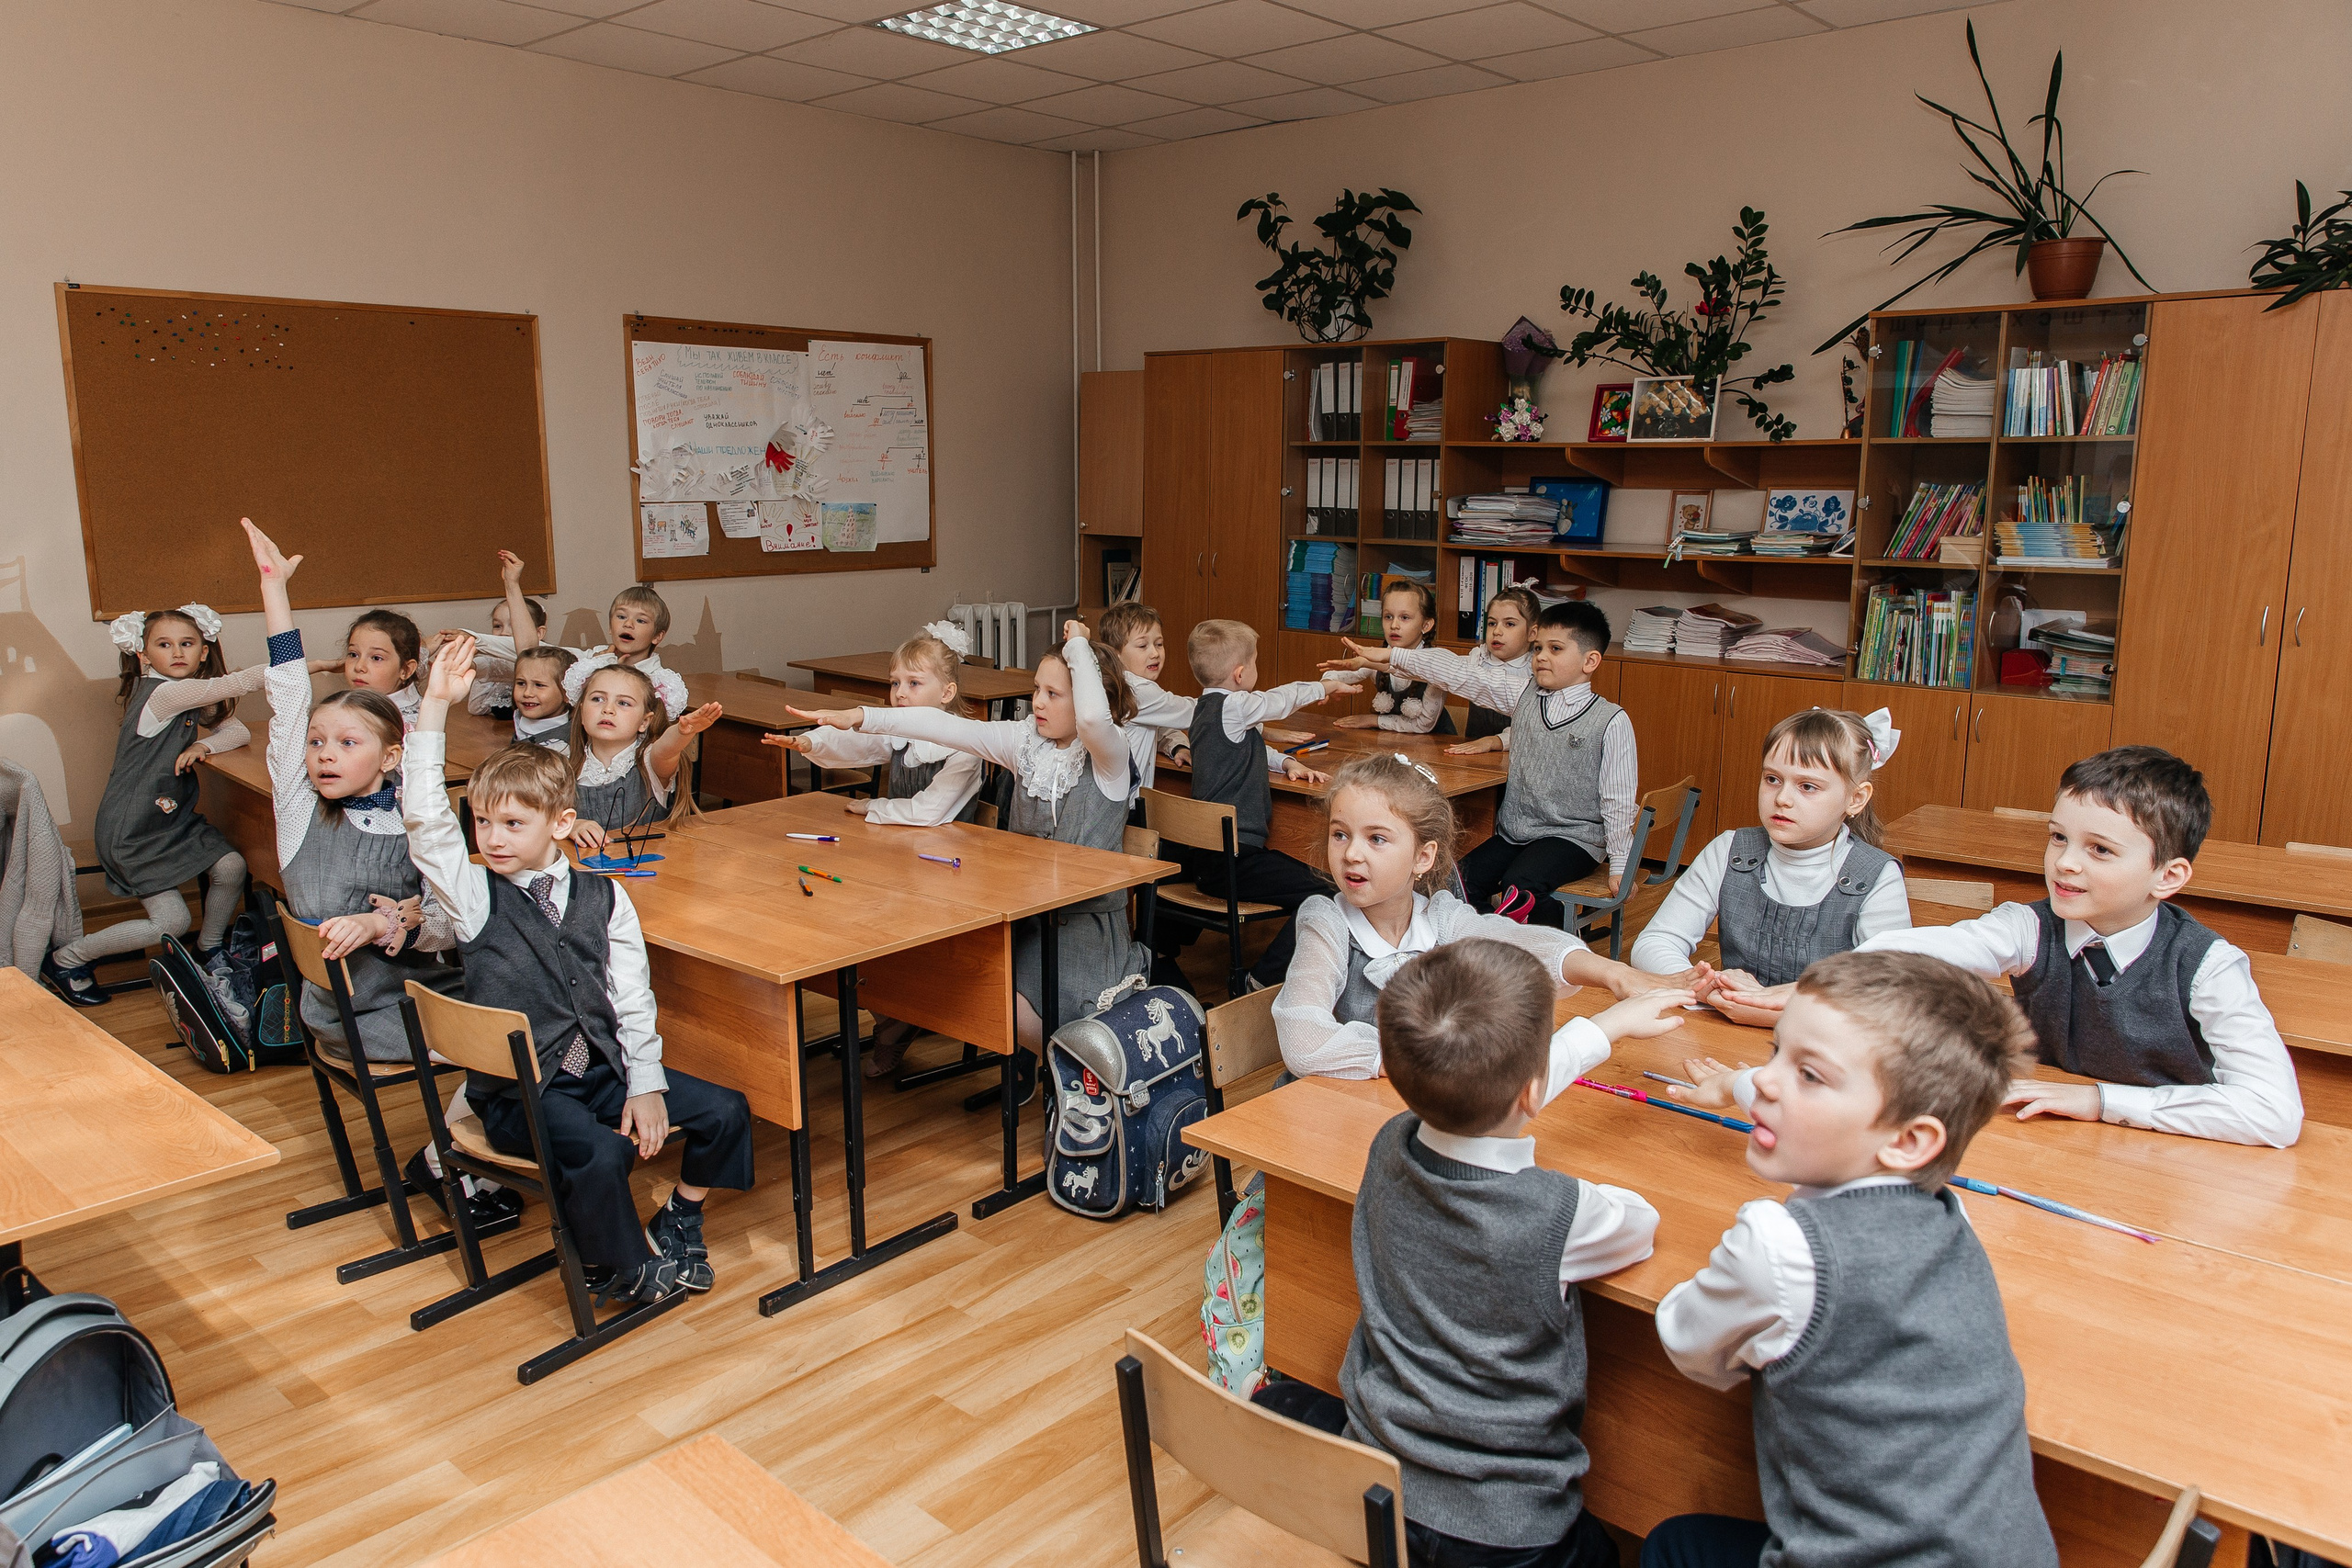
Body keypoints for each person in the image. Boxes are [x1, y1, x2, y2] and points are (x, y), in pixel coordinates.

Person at [1266, 940, 1688, 1568]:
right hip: (1510, 1533)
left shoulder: (1389, 1144)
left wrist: (1603, 1028)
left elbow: (1503, 1086)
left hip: (1381, 1487)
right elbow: (1640, 1222)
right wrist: (1570, 1188)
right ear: (1531, 1093)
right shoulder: (1560, 1214)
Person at [1644, 950, 2059, 1568]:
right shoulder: (1948, 1211)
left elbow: (1692, 1347)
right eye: (1775, 1052)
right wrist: (1735, 1085)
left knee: (1671, 1544)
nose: (1765, 1079)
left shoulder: (1779, 1246)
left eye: (1809, 1074)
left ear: (1909, 1139)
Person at [1719, 746, 2303, 1148]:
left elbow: (2274, 1113)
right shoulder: (2030, 927)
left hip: (2172, 1155)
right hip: (2050, 1138)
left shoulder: (2210, 967)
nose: (2064, 863)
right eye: (2058, 838)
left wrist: (2103, 1102)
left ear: (2168, 876)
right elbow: (1936, 946)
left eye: (2100, 850)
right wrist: (1815, 983)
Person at [405, 636, 753, 1304]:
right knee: (603, 1153)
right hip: (522, 1094)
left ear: (562, 822)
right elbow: (425, 821)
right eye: (482, 823)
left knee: (726, 1110)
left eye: (511, 823)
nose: (492, 838)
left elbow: (631, 996)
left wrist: (645, 1082)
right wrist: (432, 710)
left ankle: (680, 1215)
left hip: (599, 1070)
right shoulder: (475, 897)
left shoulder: (604, 893)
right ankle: (625, 1267)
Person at [789, 626, 1149, 1102]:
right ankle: (1069, 1076)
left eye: (1052, 694)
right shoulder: (1027, 744)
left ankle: (1088, 1078)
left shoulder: (1109, 756)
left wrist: (1078, 644)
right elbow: (942, 726)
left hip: (1081, 929)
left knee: (1006, 1006)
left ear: (1087, 698)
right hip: (1022, 915)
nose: (1037, 703)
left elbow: (1094, 721)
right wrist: (859, 716)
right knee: (960, 981)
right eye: (1036, 691)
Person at [1273, 752, 1661, 1080]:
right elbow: (1303, 1040)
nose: (1352, 854)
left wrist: (1615, 974)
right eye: (1340, 834)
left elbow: (1524, 945)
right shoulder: (1325, 921)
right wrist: (1427, 1060)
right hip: (1334, 1113)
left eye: (1376, 838)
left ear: (1423, 857)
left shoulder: (1441, 917)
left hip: (1413, 1107)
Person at [239, 519, 459, 1062]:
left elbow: (450, 924)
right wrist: (274, 591)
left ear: (391, 756)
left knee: (533, 1013)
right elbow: (289, 698)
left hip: (429, 990)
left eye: (345, 742)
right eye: (316, 743)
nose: (325, 754)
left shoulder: (416, 806)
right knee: (523, 1040)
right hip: (354, 1013)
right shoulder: (300, 807)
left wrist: (389, 922)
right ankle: (451, 1146)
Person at [766, 621, 989, 1078]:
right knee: (853, 914)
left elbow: (930, 810)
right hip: (901, 855)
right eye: (894, 684)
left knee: (889, 925)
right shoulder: (902, 733)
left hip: (947, 869)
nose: (899, 694)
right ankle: (891, 1016)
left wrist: (873, 805)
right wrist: (811, 742)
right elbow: (858, 741)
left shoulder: (965, 744)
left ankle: (898, 1019)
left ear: (947, 692)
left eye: (913, 683)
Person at [1329, 601, 1635, 928]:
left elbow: (1618, 800)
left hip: (1574, 838)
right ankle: (1488, 945)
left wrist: (1621, 864)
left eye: (1555, 649)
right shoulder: (1524, 694)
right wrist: (1393, 655)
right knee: (1453, 882)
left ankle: (1554, 954)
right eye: (1538, 648)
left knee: (1522, 886)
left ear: (1590, 661)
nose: (1541, 657)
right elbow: (1460, 673)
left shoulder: (1611, 721)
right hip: (1517, 832)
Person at [41, 604, 261, 1004]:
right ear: (143, 655)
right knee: (173, 921)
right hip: (133, 829)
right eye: (164, 644)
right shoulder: (164, 694)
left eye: (187, 643)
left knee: (231, 865)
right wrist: (304, 666)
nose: (177, 652)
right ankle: (66, 959)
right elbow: (230, 686)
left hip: (168, 821)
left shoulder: (186, 695)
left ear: (203, 652)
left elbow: (238, 730)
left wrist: (203, 743)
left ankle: (209, 949)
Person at [1632, 708, 1910, 1017]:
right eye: (1773, 779)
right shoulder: (1728, 849)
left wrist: (1766, 1009)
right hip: (1725, 1029)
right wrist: (1708, 987)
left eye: (1807, 786)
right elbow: (1654, 943)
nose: (1782, 799)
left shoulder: (1878, 876)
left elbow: (1888, 990)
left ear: (1856, 798)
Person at [1182, 617, 1348, 989]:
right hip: (1233, 860)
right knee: (1329, 892)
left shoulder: (1206, 709)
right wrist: (1322, 686)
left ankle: (1301, 970)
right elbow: (1279, 699)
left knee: (1310, 888)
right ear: (1240, 675)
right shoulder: (1236, 706)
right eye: (1255, 662)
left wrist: (1287, 762)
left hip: (1206, 858)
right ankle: (1261, 980)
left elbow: (1249, 745)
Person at [474, 581, 690, 721]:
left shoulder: (661, 682)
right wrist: (512, 585)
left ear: (657, 636)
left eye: (640, 620)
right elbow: (533, 650)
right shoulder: (590, 660)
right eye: (621, 617)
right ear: (610, 625)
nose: (628, 625)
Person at [565, 663, 719, 857]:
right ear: (581, 712)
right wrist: (570, 825)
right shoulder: (561, 764)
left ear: (644, 722)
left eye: (623, 703)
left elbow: (666, 749)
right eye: (597, 699)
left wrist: (682, 732)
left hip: (643, 872)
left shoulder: (648, 761)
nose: (608, 709)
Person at [1329, 578, 1458, 735]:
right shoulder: (1377, 655)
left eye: (1404, 618)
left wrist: (1372, 720)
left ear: (1426, 625)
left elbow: (1423, 725)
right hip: (1392, 741)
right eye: (1388, 616)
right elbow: (1340, 674)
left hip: (1434, 746)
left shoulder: (1434, 664)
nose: (1394, 625)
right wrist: (1327, 686)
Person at [340, 607, 424, 728]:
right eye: (353, 655)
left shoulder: (408, 724)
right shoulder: (349, 704)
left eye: (376, 658)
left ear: (406, 670)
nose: (359, 667)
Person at [507, 646, 574, 750]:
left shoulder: (563, 746)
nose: (527, 693)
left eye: (539, 685)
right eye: (521, 683)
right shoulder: (519, 720)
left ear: (567, 694)